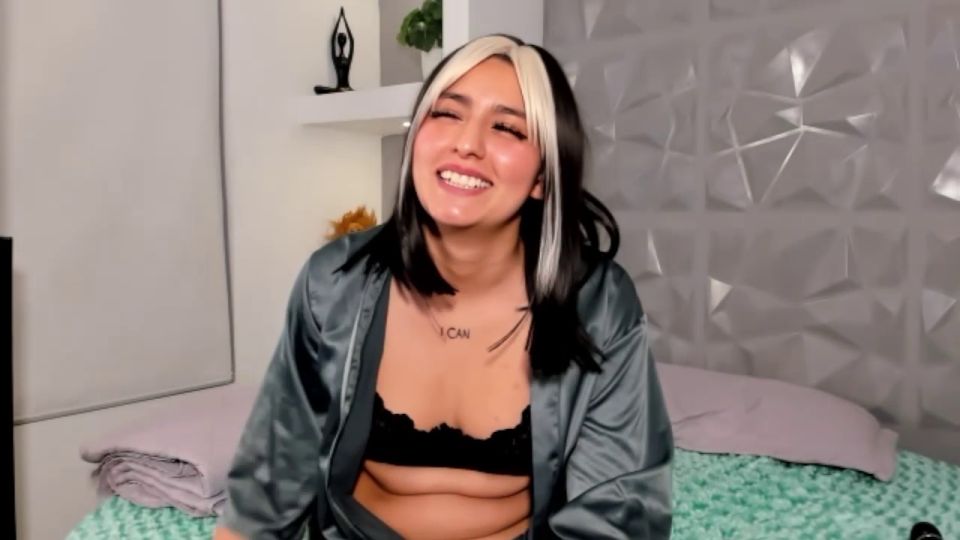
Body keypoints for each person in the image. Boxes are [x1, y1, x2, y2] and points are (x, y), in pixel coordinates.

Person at [213, 34, 673, 540]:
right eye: (448, 113)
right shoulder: (335, 281)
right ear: (416, 138)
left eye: (506, 127)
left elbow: (616, 513)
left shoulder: (598, 302)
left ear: (543, 176)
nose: (467, 143)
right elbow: (269, 486)